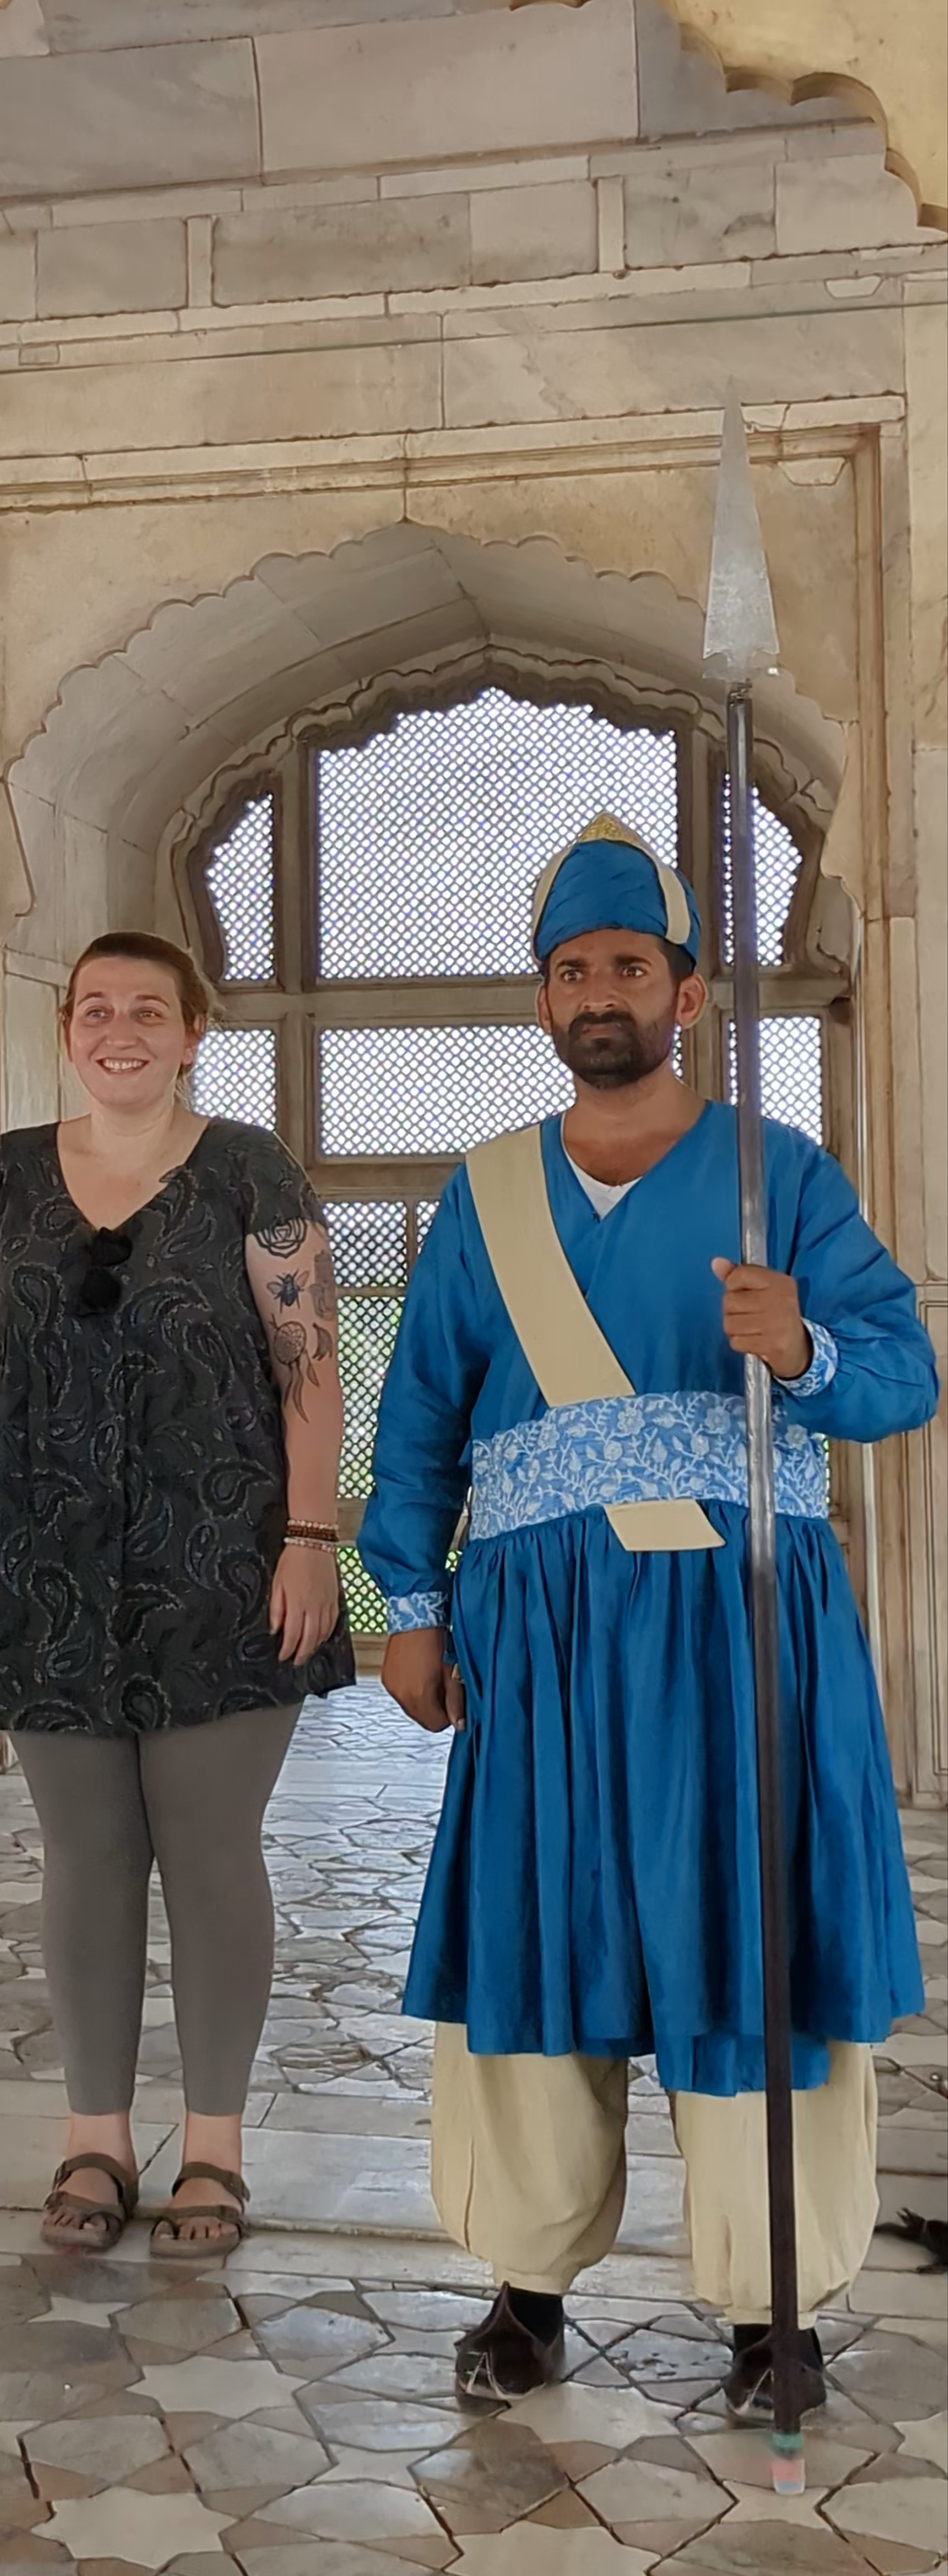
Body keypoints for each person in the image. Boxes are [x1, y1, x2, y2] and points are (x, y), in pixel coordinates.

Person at [361, 816, 935, 2417]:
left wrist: (808, 1342)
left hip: (743, 1632)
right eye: (572, 967)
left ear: (685, 989)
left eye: (629, 964)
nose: (600, 989)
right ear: (543, 999)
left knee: (751, 1934)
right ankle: (525, 2287)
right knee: (547, 1937)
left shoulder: (782, 1173)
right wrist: (407, 1601)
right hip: (539, 1642)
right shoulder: (485, 1199)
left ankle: (773, 2312)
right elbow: (421, 1412)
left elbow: (906, 1371)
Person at [0, 931, 350, 2259]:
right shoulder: (5, 1173)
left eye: (147, 1010)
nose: (120, 1030)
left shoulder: (249, 1170)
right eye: (96, 1007)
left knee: (212, 1853)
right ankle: (93, 2139)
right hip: (39, 1559)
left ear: (191, 1031)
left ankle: (212, 2150)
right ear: (66, 1028)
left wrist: (311, 1533)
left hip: (223, 1559)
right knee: (88, 1858)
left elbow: (308, 1364)